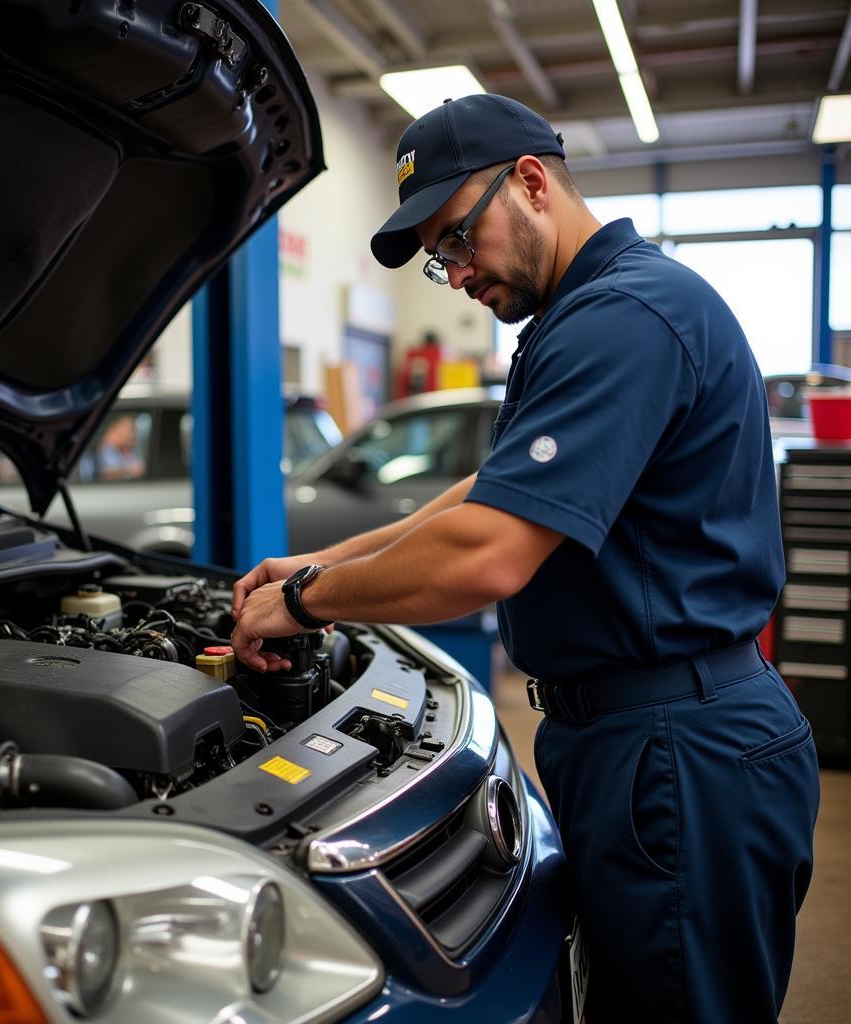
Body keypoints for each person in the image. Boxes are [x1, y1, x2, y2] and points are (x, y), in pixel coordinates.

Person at [230, 94, 819, 1023]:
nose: (457, 275)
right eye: (439, 259)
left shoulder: (623, 317)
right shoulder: (584, 314)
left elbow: (489, 554)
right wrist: (317, 557)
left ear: (532, 184)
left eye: (459, 240)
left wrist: (308, 602)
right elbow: (485, 497)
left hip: (680, 748)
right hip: (636, 733)